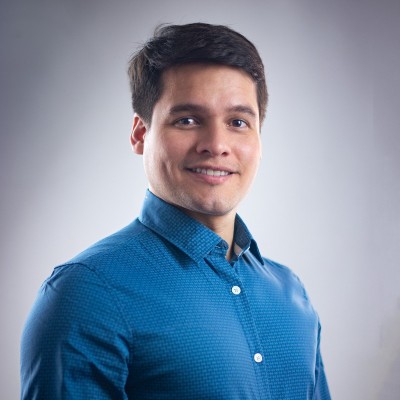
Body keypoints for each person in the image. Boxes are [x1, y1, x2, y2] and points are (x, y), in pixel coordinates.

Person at [20, 23, 331, 399]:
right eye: (187, 120)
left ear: (259, 140)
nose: (216, 145)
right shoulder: (87, 295)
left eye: (238, 122)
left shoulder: (290, 292)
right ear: (140, 134)